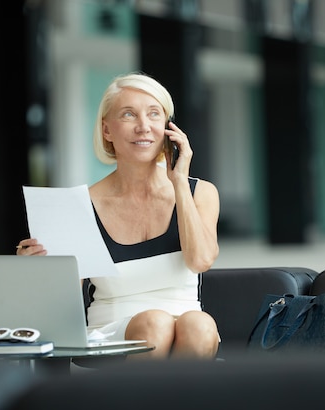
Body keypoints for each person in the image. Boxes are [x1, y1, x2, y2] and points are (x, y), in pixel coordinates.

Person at [17, 73, 220, 359]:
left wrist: (179, 183)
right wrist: (38, 272)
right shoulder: (79, 206)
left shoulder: (201, 193)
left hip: (189, 327)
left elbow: (200, 260)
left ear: (168, 128)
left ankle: (171, 404)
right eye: (128, 114)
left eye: (154, 114)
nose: (144, 126)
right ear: (107, 131)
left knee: (201, 324)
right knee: (155, 323)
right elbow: (62, 306)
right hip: (108, 334)